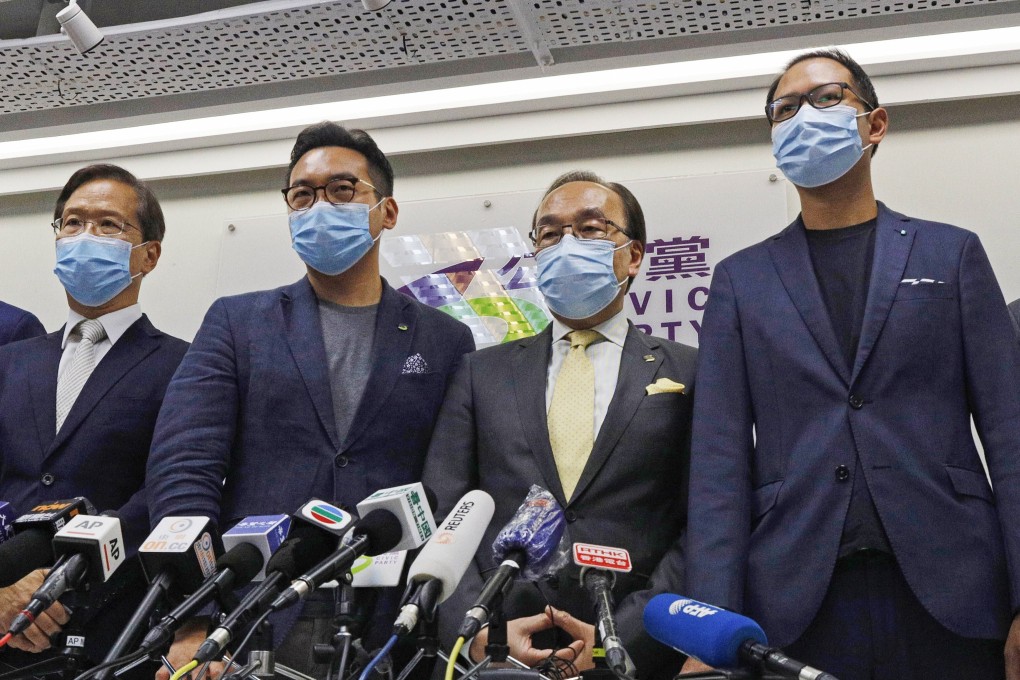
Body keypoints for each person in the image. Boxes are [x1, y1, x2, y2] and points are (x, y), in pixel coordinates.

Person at [685, 49, 1020, 680]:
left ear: (875, 124)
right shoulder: (741, 281)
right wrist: (712, 629)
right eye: (785, 109)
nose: (804, 116)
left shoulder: (952, 254)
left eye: (827, 98)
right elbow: (718, 466)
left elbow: (1011, 435)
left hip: (957, 588)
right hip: (796, 598)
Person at [145, 122, 475, 678]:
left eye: (342, 190)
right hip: (255, 608)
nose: (320, 205)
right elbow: (186, 468)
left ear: (387, 211)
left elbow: (451, 484)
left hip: (392, 617)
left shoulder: (444, 340)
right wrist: (194, 614)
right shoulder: (237, 322)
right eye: (303, 194)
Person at [424, 171, 696, 679]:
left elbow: (703, 522)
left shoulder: (690, 372)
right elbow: (445, 512)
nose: (567, 244)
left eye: (591, 229)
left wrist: (633, 632)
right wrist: (475, 628)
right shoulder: (480, 372)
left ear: (633, 256)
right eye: (550, 234)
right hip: (498, 642)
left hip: (637, 649)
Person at [0, 164, 188, 671]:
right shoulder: (11, 360)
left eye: (108, 225)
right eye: (72, 223)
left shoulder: (186, 365)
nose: (85, 237)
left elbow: (169, 490)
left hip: (112, 627)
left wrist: (65, 581)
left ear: (148, 255)